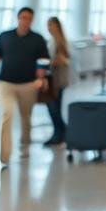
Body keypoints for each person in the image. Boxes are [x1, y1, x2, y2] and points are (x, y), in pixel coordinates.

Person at [0, 7, 50, 166]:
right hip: (5, 83)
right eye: (23, 17)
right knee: (6, 114)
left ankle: (25, 144)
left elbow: (44, 61)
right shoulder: (5, 36)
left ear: (32, 20)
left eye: (28, 18)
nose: (25, 20)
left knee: (25, 117)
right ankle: (5, 154)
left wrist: (40, 78)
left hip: (28, 84)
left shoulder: (37, 39)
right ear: (18, 18)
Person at [42, 16, 72, 147]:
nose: (49, 28)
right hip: (53, 78)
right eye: (48, 25)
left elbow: (63, 59)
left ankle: (63, 132)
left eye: (51, 25)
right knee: (55, 107)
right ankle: (59, 133)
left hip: (57, 79)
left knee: (53, 106)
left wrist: (48, 63)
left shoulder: (60, 42)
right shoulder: (52, 41)